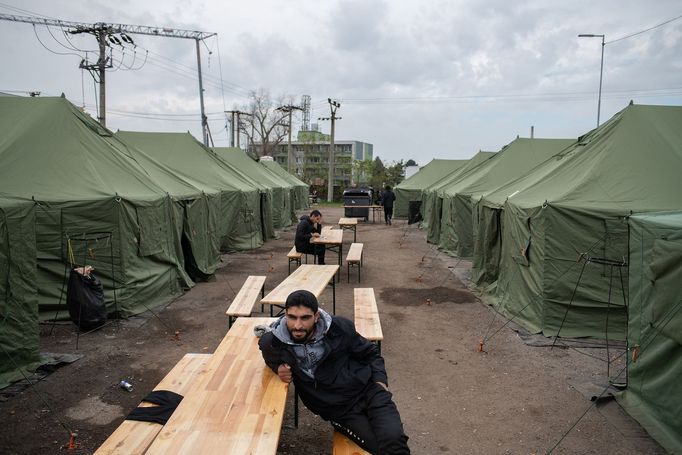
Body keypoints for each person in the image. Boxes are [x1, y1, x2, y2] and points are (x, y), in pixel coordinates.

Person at [258, 290, 410, 454]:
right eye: (292, 317)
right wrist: (278, 368)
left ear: (316, 316)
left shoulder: (339, 327)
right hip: (339, 410)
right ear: (286, 315)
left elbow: (371, 353)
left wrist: (380, 382)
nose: (298, 325)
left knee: (394, 441)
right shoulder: (274, 343)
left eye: (305, 318)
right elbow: (269, 356)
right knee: (380, 448)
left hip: (370, 391)